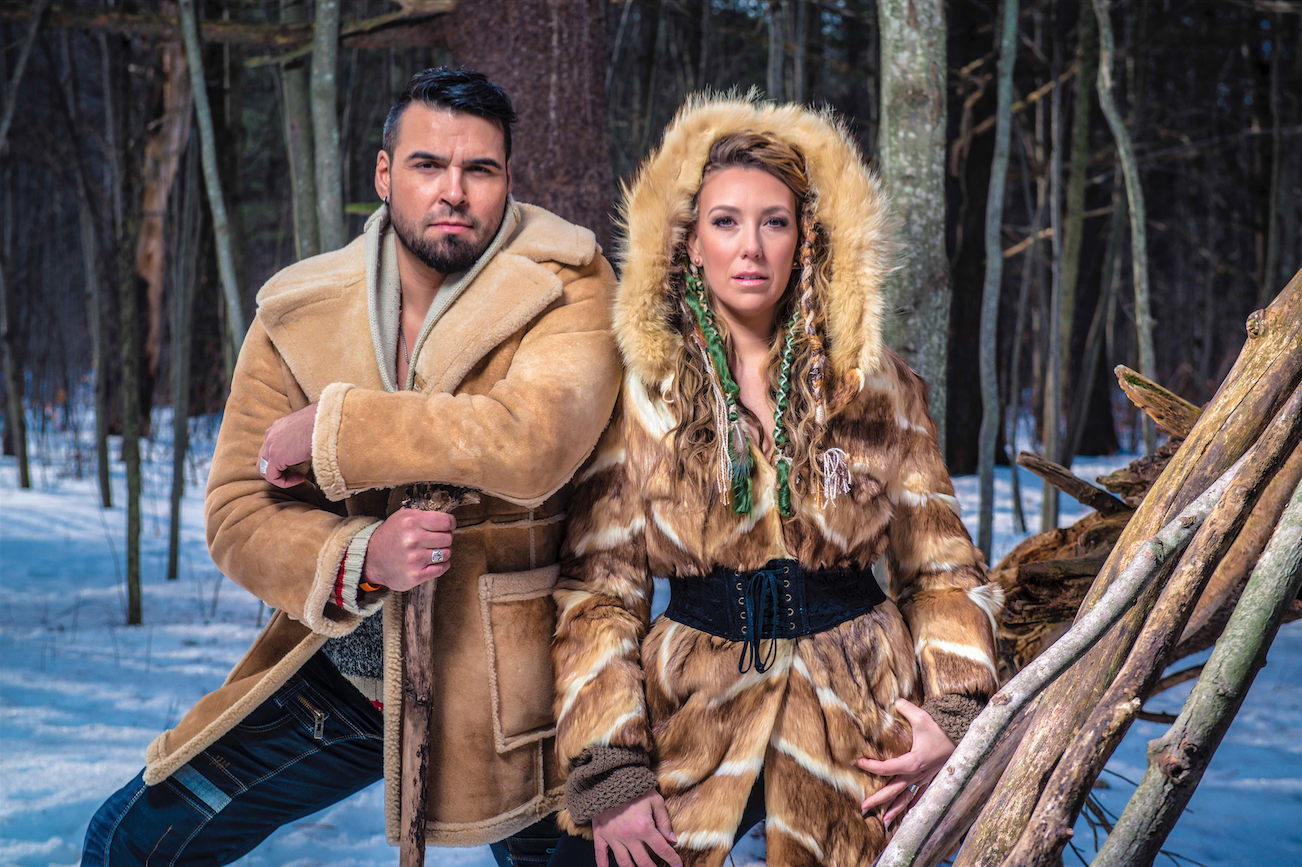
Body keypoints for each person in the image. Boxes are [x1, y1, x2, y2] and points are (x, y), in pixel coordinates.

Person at [82, 68, 621, 867]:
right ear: (383, 173)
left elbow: (530, 442)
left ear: (509, 179)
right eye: (428, 165)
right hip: (351, 680)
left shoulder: (567, 280)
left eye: (480, 170)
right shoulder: (297, 310)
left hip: (513, 698)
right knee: (128, 841)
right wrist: (358, 558)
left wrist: (335, 430)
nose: (454, 191)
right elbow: (237, 512)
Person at [550, 96, 1005, 867]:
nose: (751, 246)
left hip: (864, 721)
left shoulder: (876, 385)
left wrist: (954, 715)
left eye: (775, 221)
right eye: (725, 221)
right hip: (695, 718)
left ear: (807, 240)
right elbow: (599, 595)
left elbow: (941, 569)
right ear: (689, 243)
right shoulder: (641, 397)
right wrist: (612, 770)